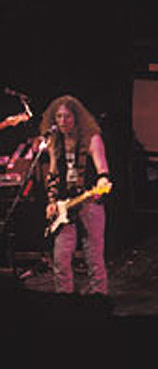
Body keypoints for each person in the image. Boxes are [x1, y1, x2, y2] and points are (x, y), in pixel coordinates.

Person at [41, 95, 111, 295]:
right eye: (59, 117)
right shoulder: (55, 142)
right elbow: (53, 175)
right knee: (60, 258)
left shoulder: (92, 138)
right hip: (65, 206)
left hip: (89, 202)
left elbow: (103, 170)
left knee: (94, 257)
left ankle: (99, 300)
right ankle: (65, 302)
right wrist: (52, 202)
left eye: (67, 117)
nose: (62, 121)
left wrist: (102, 181)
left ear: (77, 118)